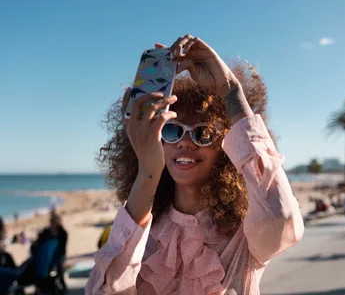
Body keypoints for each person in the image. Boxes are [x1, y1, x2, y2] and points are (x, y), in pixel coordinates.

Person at [85, 35, 304, 294]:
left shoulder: (244, 235)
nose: (185, 143)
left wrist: (231, 91)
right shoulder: (143, 232)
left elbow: (281, 214)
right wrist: (148, 169)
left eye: (203, 133)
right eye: (171, 131)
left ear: (227, 148)